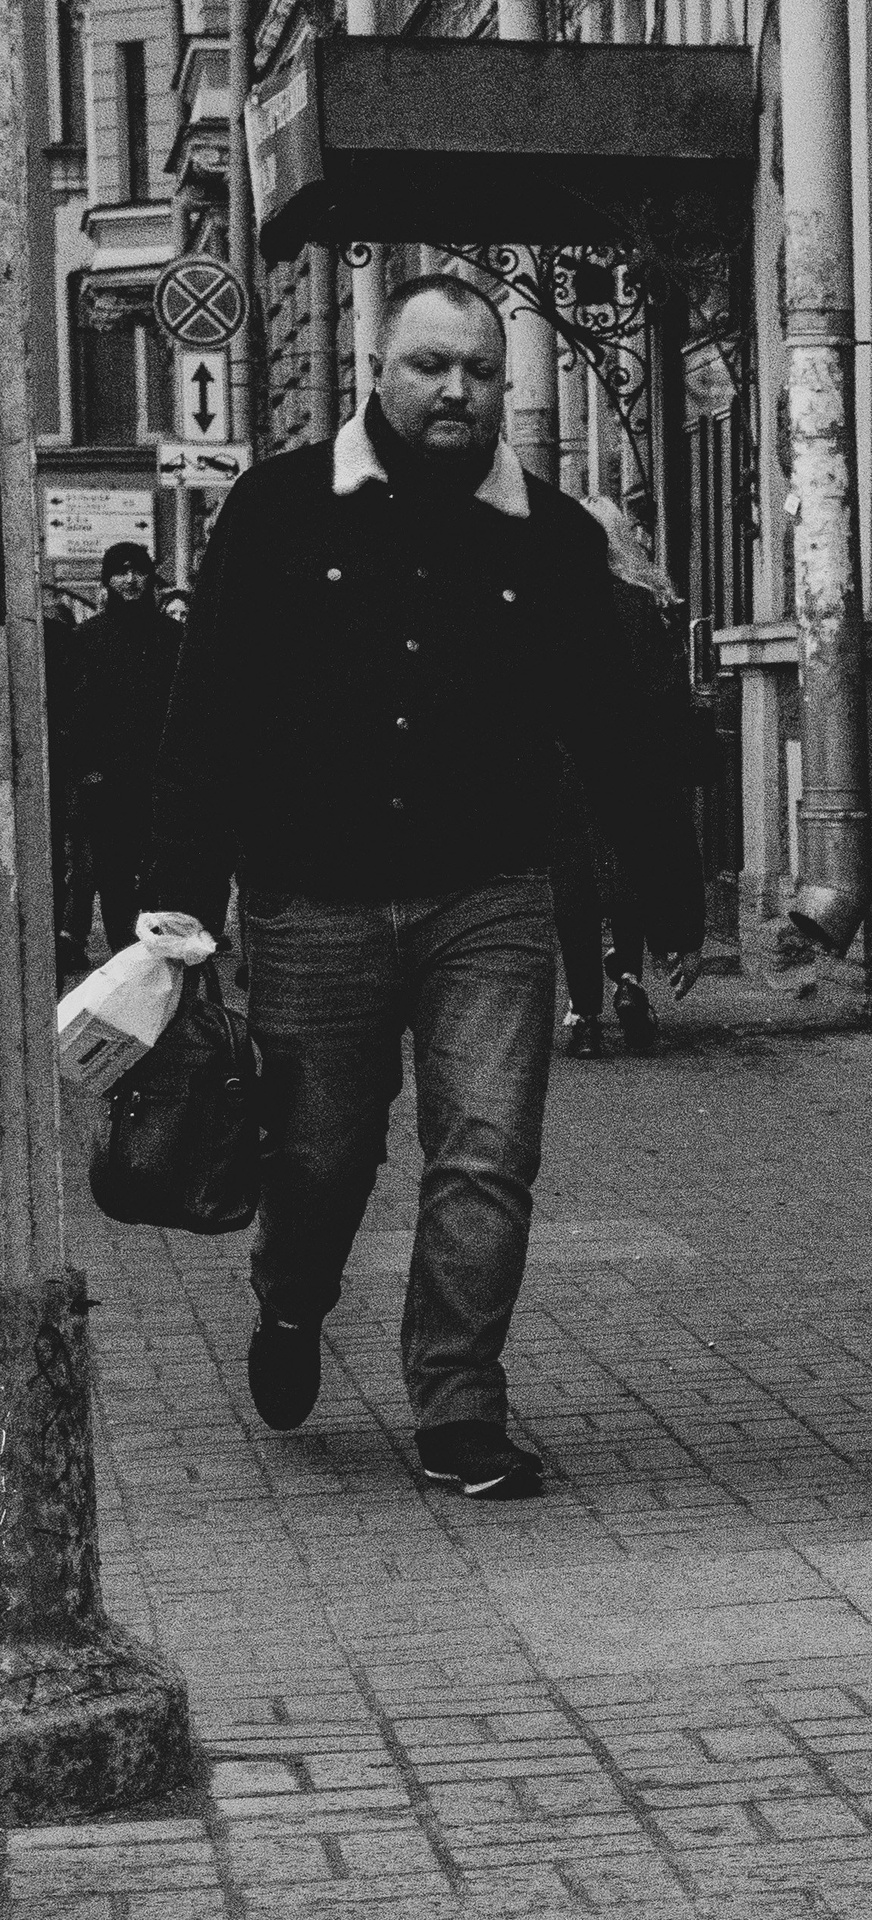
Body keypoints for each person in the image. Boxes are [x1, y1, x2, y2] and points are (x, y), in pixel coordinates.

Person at [142, 274, 705, 1500]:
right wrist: (175, 898)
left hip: (486, 897)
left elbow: (613, 732)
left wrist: (667, 892)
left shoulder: (551, 539)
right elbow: (208, 710)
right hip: (314, 900)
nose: (458, 391)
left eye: (481, 371)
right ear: (378, 371)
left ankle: (458, 1406)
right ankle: (292, 1299)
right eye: (431, 366)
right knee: (321, 1157)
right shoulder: (280, 507)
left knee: (486, 1152)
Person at [553, 496, 698, 1059]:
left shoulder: (559, 603)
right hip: (634, 764)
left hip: (571, 764)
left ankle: (583, 1013)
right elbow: (669, 695)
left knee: (575, 886)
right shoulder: (646, 604)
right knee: (627, 874)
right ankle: (630, 981)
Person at [75, 543, 186, 959]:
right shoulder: (88, 637)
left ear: (150, 576)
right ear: (107, 580)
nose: (130, 580)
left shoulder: (172, 636)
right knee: (114, 869)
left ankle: (161, 952)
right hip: (109, 777)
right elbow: (77, 709)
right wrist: (87, 768)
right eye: (120, 572)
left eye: (137, 570)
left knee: (163, 866)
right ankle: (124, 952)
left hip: (162, 773)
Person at [43, 582, 94, 976]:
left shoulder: (58, 639)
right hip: (57, 766)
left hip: (56, 768)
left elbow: (78, 706)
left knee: (61, 859)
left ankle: (58, 941)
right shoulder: (61, 637)